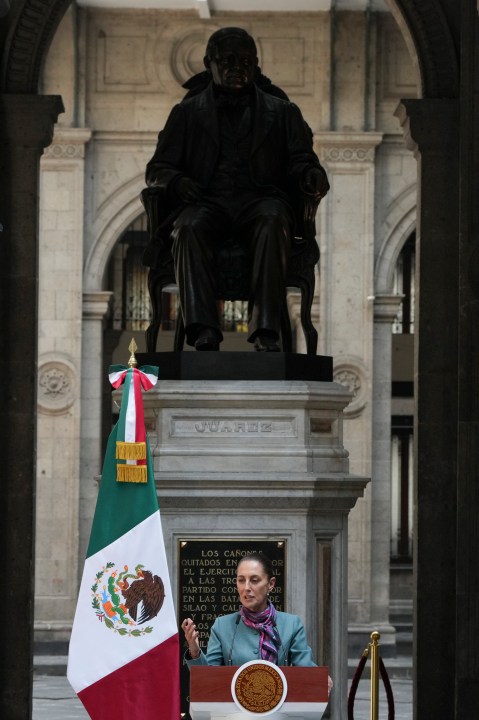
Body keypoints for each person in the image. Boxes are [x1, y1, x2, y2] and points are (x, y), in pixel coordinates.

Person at [145, 27, 329, 352]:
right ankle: (203, 330)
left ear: (256, 65)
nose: (236, 67)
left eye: (245, 61)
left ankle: (266, 331)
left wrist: (311, 174)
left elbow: (301, 160)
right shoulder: (186, 113)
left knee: (273, 219)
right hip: (206, 201)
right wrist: (177, 181)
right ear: (208, 63)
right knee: (187, 227)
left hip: (260, 201)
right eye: (227, 60)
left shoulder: (283, 112)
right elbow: (157, 170)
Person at [181, 552, 316, 667]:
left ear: (271, 584)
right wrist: (195, 652)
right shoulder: (222, 626)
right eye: (241, 580)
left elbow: (306, 672)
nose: (246, 587)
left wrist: (319, 679)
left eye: (254, 580)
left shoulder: (291, 624)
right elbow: (209, 680)